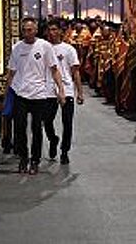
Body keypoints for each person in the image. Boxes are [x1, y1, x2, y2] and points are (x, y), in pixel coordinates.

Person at [6, 17, 65, 175]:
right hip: (20, 93)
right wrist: (7, 95)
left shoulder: (44, 46)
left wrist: (61, 90)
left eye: (30, 30)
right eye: (24, 30)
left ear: (36, 30)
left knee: (37, 129)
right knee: (19, 128)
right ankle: (23, 158)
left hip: (39, 94)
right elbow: (11, 72)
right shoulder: (17, 48)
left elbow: (54, 69)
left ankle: (35, 160)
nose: (27, 33)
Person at [44, 19, 84, 165]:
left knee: (67, 122)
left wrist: (79, 92)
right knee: (47, 120)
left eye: (54, 29)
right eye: (49, 30)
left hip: (66, 89)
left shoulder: (69, 49)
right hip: (48, 89)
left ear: (61, 31)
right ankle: (53, 139)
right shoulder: (44, 48)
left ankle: (64, 151)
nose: (51, 32)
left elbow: (75, 72)